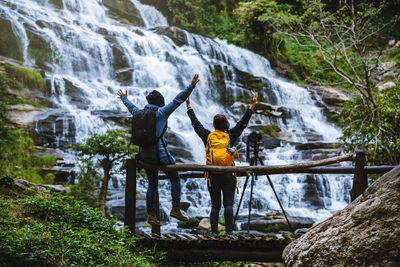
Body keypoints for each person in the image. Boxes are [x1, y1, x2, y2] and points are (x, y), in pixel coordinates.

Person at [118, 74, 200, 227]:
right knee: (175, 177)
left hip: (144, 156)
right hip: (160, 155)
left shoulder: (138, 112)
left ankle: (151, 215)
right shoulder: (161, 113)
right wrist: (192, 86)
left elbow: (130, 106)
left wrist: (124, 98)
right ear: (159, 103)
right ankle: (175, 208)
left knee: (152, 184)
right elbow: (178, 99)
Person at [185, 92, 258, 237]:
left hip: (212, 174)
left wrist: (189, 108)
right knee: (228, 205)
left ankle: (213, 233)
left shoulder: (207, 136)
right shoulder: (230, 135)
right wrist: (252, 105)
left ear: (213, 125)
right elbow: (243, 123)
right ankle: (229, 232)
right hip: (228, 174)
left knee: (215, 206)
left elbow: (196, 124)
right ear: (226, 124)